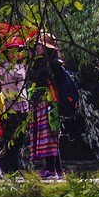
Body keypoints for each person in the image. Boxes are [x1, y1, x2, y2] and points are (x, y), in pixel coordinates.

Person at [27, 34, 65, 179]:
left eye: (39, 45)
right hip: (39, 102)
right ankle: (56, 168)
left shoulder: (54, 64)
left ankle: (51, 168)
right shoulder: (37, 63)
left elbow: (58, 84)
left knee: (49, 135)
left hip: (50, 102)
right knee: (44, 135)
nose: (37, 48)